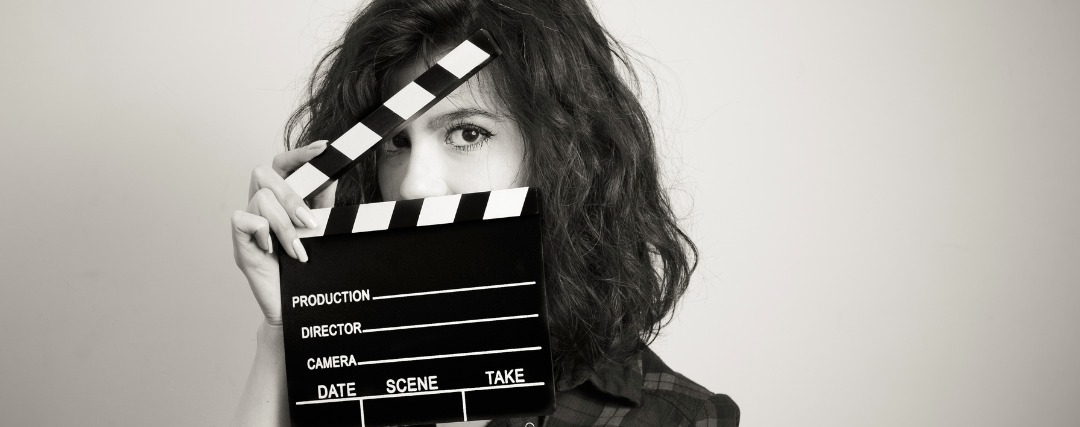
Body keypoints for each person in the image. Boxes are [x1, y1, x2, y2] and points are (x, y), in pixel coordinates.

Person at [231, 0, 740, 425]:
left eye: (469, 134)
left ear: (561, 158)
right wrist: (289, 324)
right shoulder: (347, 375)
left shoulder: (677, 418)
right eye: (395, 144)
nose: (412, 184)